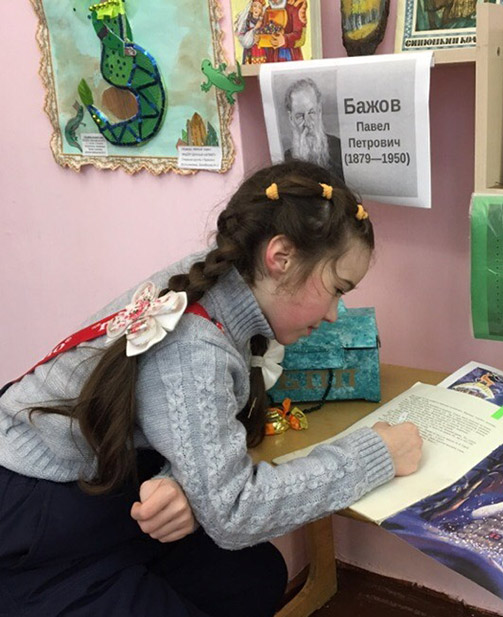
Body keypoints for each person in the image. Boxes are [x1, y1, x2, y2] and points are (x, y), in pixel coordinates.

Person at [0, 160, 423, 617]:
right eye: (336, 288)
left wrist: (178, 479)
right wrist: (375, 456)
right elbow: (234, 513)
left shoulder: (216, 284)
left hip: (105, 485)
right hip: (36, 521)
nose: (335, 314)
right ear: (281, 257)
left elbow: (175, 414)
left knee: (255, 577)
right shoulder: (196, 345)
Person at [283, 78, 345, 180]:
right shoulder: (287, 158)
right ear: (291, 118)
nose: (307, 123)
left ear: (319, 111)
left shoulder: (339, 148)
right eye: (300, 116)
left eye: (311, 113)